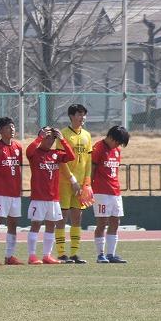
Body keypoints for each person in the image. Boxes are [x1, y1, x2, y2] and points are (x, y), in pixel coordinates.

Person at [25, 126, 76, 265]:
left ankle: (47, 255)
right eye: (47, 137)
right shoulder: (35, 153)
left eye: (53, 138)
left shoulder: (56, 154)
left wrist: (62, 140)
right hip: (39, 198)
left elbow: (71, 156)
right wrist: (39, 137)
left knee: (51, 226)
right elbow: (28, 151)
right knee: (35, 225)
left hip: (53, 198)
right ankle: (32, 256)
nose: (50, 141)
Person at [56, 104, 93, 263]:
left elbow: (88, 160)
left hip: (81, 184)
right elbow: (61, 160)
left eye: (84, 114)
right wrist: (72, 180)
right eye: (79, 114)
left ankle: (74, 253)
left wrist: (87, 182)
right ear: (71, 116)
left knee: (77, 217)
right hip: (65, 182)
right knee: (62, 217)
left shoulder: (87, 135)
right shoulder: (63, 134)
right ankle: (61, 253)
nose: (82, 117)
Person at [0, 117, 23, 265]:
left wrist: (19, 187)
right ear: (1, 130)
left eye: (13, 126)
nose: (12, 129)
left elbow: (18, 168)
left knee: (13, 224)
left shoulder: (18, 147)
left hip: (15, 193)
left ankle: (9, 256)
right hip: (0, 193)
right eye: (8, 127)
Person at [92, 125, 130, 264]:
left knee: (115, 221)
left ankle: (111, 254)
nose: (118, 146)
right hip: (101, 191)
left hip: (115, 191)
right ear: (111, 137)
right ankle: (100, 254)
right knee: (102, 222)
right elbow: (92, 169)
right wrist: (88, 187)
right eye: (118, 142)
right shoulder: (98, 148)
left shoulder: (117, 150)